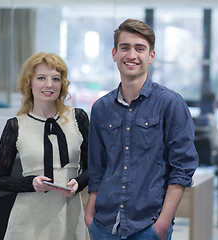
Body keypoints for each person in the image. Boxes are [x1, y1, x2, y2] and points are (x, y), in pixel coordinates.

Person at [84, 19, 199, 240]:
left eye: (140, 48)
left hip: (149, 227)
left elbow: (183, 168)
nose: (132, 55)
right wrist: (90, 216)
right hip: (103, 225)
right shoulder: (101, 108)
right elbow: (97, 168)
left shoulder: (171, 103)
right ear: (114, 53)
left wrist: (163, 224)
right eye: (125, 47)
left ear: (151, 56)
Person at [0, 52, 90, 240]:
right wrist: (31, 183)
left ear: (62, 83)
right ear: (29, 82)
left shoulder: (78, 117)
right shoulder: (15, 125)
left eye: (55, 78)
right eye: (41, 78)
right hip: (29, 221)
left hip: (69, 215)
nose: (49, 85)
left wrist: (79, 183)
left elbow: (93, 167)